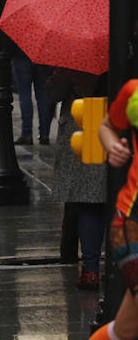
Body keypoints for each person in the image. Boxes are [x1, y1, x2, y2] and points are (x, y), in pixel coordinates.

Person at [46, 68, 106, 291]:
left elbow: (54, 92)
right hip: (123, 117)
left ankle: (91, 270)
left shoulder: (78, 54)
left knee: (90, 199)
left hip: (89, 117)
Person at [91, 79, 138, 339]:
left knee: (126, 329)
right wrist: (113, 146)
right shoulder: (134, 92)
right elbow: (107, 126)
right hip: (132, 224)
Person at [12, 43, 55, 145]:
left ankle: (27, 134)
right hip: (43, 52)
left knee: (24, 94)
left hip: (21, 52)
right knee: (43, 94)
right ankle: (44, 135)